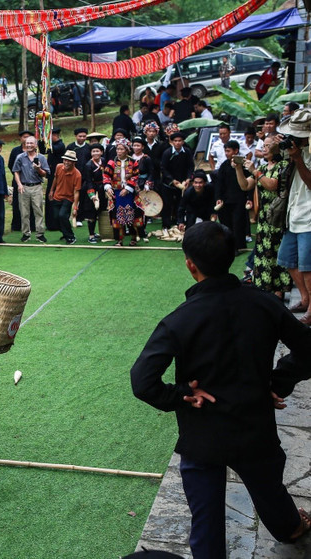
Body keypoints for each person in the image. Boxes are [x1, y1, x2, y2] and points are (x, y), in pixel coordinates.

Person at [131, 221, 311, 559]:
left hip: (203, 435)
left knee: (206, 522)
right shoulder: (265, 304)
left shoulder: (180, 319)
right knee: (268, 487)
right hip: (254, 425)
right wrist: (276, 382)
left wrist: (181, 394)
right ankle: (291, 527)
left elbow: (142, 381)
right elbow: (307, 350)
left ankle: (282, 528)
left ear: (190, 265)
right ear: (232, 257)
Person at [239, 136, 289, 297]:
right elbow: (245, 185)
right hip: (263, 218)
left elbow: (272, 185)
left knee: (275, 252)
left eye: (268, 146)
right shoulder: (262, 166)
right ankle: (266, 289)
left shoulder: (283, 165)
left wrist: (255, 171)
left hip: (278, 216)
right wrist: (238, 169)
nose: (264, 149)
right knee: (263, 252)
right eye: (264, 146)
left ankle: (278, 290)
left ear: (277, 148)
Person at [275, 109, 311, 324]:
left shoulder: (304, 154)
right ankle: (305, 298)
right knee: (287, 259)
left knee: (308, 268)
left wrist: (297, 158)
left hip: (309, 217)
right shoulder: (295, 151)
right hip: (293, 215)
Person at [103, 139, 140, 246]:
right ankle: (119, 240)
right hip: (116, 193)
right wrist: (108, 187)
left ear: (127, 150)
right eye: (117, 149)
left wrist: (128, 188)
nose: (119, 151)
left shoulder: (133, 162)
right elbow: (106, 176)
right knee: (116, 216)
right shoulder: (111, 162)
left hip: (130, 193)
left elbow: (136, 176)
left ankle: (133, 237)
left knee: (130, 215)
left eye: (121, 149)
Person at [215, 141, 250, 251]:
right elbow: (219, 184)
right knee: (226, 224)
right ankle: (229, 246)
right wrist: (218, 198)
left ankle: (239, 246)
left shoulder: (244, 164)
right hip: (226, 200)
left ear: (236, 151)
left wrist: (249, 198)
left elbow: (249, 184)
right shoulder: (224, 165)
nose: (226, 153)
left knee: (238, 224)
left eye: (229, 151)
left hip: (240, 199)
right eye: (225, 151)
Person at [13, 136, 49, 243]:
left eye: (31, 143)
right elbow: (16, 171)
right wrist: (19, 184)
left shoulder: (41, 157)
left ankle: (40, 233)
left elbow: (46, 173)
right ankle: (25, 233)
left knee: (38, 210)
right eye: (27, 143)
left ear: (35, 145)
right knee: (24, 212)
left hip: (37, 186)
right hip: (24, 186)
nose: (29, 145)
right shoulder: (20, 157)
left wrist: (38, 169)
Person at [160, 131, 194, 232]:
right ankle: (166, 224)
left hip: (183, 182)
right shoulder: (167, 153)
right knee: (167, 204)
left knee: (181, 203)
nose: (178, 143)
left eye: (180, 141)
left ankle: (179, 222)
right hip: (169, 183)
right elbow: (163, 168)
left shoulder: (187, 152)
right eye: (176, 141)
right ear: (172, 142)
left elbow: (190, 166)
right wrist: (172, 180)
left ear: (183, 142)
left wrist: (188, 179)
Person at [49, 150, 81, 245]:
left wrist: (75, 207)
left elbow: (76, 192)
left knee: (62, 215)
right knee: (55, 218)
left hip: (68, 198)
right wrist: (51, 190)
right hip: (57, 196)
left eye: (69, 161)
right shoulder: (58, 167)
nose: (66, 162)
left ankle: (70, 237)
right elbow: (55, 178)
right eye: (65, 160)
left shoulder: (77, 175)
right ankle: (65, 232)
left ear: (74, 162)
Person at [81, 143, 106, 244]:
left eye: (97, 151)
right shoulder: (88, 165)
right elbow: (89, 181)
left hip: (103, 188)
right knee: (92, 213)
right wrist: (92, 196)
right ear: (91, 153)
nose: (96, 153)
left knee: (102, 211)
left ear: (101, 152)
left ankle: (104, 232)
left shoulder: (104, 161)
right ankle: (91, 235)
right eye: (93, 151)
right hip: (92, 189)